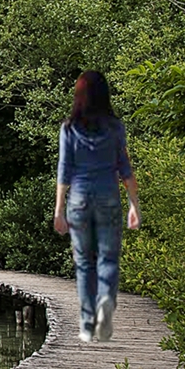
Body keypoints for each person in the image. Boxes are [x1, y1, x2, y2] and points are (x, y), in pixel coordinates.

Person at [53, 71, 140, 342]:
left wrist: (58, 210)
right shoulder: (115, 128)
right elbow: (125, 169)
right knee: (108, 258)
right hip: (108, 198)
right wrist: (134, 205)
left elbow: (64, 171)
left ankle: (87, 322)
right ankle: (106, 302)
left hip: (78, 200)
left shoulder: (69, 128)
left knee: (84, 262)